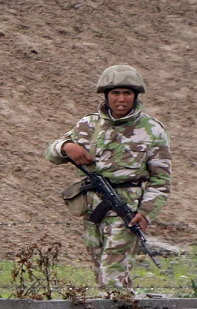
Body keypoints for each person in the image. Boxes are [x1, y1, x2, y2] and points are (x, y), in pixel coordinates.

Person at [46, 64, 171, 292]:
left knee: (113, 276)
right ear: (106, 95)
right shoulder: (89, 125)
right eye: (115, 93)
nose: (121, 99)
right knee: (100, 274)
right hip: (93, 208)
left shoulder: (152, 130)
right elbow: (51, 153)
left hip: (126, 209)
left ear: (135, 96)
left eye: (127, 93)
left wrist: (146, 212)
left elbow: (161, 180)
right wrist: (66, 147)